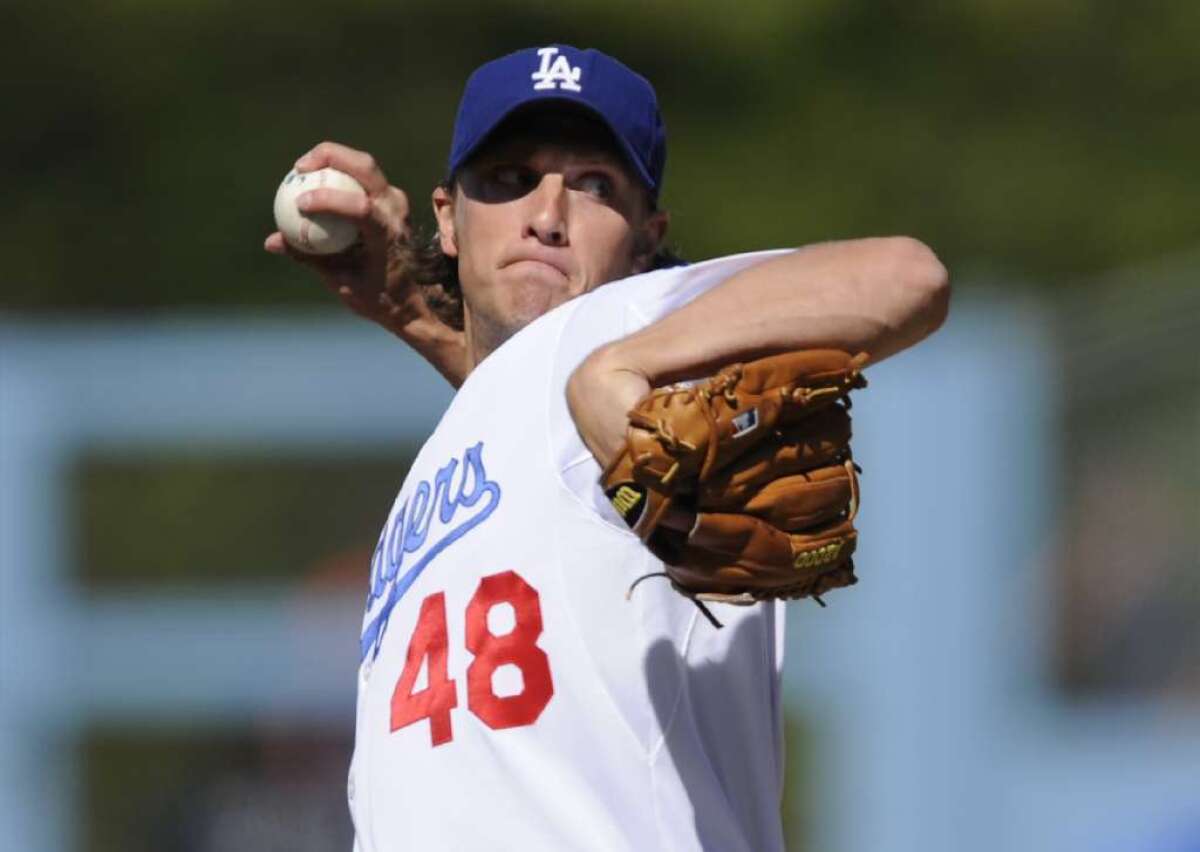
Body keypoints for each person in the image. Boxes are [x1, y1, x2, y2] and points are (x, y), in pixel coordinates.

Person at [267, 44, 948, 851]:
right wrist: (412, 312)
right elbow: (526, 419)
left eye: (594, 186)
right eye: (510, 179)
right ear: (447, 220)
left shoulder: (631, 332)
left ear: (647, 237)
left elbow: (906, 276)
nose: (547, 214)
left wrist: (623, 364)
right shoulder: (501, 420)